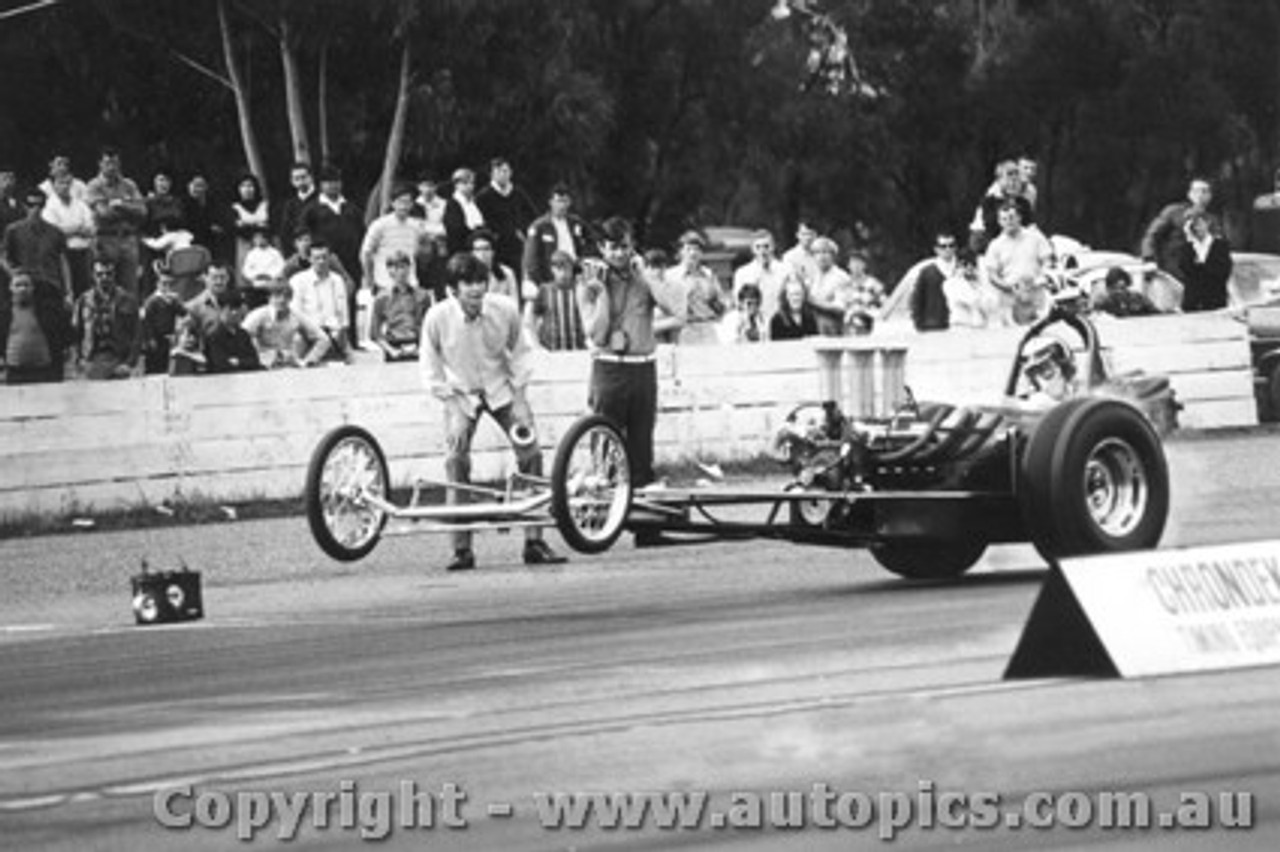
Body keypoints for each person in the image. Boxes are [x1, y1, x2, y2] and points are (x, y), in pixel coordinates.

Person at [419, 251, 566, 572]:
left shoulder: (505, 309)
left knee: (531, 452)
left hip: (501, 390)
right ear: (452, 290)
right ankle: (461, 549)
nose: (475, 291)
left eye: (479, 283)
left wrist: (522, 400)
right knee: (455, 459)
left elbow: (522, 355)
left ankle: (535, 542)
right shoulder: (436, 318)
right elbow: (431, 374)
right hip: (461, 394)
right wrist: (454, 408)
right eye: (467, 284)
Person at [577, 216, 684, 493]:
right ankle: (605, 524)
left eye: (625, 247)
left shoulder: (643, 278)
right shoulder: (590, 282)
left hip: (642, 368)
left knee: (641, 448)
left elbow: (677, 311)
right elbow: (596, 335)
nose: (620, 254)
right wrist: (601, 295)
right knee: (606, 448)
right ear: (602, 248)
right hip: (609, 368)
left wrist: (647, 275)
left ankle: (647, 529)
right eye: (613, 247)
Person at [303, 165, 364, 346]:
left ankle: (351, 341)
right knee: (325, 298)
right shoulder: (312, 209)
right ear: (321, 185)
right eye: (328, 183)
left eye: (336, 182)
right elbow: (304, 235)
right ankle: (324, 341)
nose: (333, 186)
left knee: (349, 298)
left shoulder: (351, 208)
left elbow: (362, 233)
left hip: (351, 261)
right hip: (324, 261)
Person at [85, 147, 148, 298]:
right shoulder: (94, 185)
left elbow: (143, 211)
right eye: (107, 163)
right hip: (106, 239)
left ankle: (129, 320)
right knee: (106, 285)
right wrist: (129, 209)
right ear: (100, 164)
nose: (112, 167)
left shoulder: (129, 185)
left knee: (130, 288)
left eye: (115, 163)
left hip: (128, 239)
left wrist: (120, 204)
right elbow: (104, 213)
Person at [982, 201, 1053, 326]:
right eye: (1004, 219)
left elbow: (1048, 261)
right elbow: (992, 275)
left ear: (1019, 218)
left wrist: (1040, 279)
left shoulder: (1035, 237)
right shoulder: (995, 245)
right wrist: (1007, 286)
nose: (1008, 222)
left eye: (1011, 217)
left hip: (1036, 293)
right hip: (1010, 297)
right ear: (999, 222)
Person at [73, 256, 140, 379]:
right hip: (92, 360)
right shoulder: (83, 301)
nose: (104, 278)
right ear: (93, 276)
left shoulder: (127, 300)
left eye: (108, 274)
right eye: (100, 274)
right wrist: (80, 361)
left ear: (114, 275)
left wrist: (129, 364)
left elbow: (136, 335)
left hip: (118, 360)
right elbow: (76, 334)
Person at [1, 270, 73, 384]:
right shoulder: (3, 314)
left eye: (26, 285)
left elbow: (66, 337)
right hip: (15, 373)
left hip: (44, 372)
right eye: (18, 285)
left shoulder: (49, 311)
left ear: (33, 287)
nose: (22, 289)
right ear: (10, 288)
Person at [1140, 177, 1217, 281]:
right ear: (1189, 194)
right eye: (1196, 191)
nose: (1201, 195)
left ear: (1210, 196)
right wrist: (1149, 259)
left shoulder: (1212, 221)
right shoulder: (1173, 212)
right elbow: (1151, 237)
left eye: (1205, 191)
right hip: (1169, 276)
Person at [289, 239, 353, 362]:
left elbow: (343, 314)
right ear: (309, 259)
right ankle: (307, 363)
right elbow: (296, 313)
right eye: (317, 258)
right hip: (308, 333)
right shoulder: (298, 280)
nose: (321, 261)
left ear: (330, 258)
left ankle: (311, 362)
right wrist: (315, 332)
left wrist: (341, 331)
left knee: (355, 365)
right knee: (298, 341)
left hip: (335, 332)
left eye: (325, 257)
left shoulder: (337, 280)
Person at [242, 279, 330, 368]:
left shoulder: (296, 315)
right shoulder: (258, 315)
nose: (282, 300)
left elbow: (323, 339)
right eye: (277, 296)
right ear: (269, 297)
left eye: (286, 296)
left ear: (291, 298)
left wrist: (308, 361)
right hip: (264, 366)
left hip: (289, 365)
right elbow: (241, 337)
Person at [522, 183, 592, 296]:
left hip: (575, 277)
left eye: (565, 201)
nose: (562, 205)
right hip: (550, 280)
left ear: (569, 203)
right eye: (559, 201)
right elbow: (531, 261)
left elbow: (592, 242)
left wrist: (583, 263)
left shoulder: (576, 222)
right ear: (551, 202)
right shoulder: (539, 226)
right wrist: (541, 284)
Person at [360, 182, 427, 295]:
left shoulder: (417, 227)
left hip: (410, 284)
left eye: (407, 202)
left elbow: (417, 254)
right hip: (384, 284)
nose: (403, 206)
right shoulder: (379, 225)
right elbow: (366, 253)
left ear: (412, 204)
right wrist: (369, 280)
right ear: (393, 203)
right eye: (400, 202)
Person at [475, 157, 537, 278]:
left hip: (515, 245)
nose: (503, 175)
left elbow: (532, 215)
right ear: (492, 174)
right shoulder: (483, 196)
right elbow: (479, 222)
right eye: (499, 171)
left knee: (517, 278)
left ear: (511, 173)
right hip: (495, 247)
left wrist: (523, 231)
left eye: (505, 171)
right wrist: (493, 235)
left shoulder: (518, 193)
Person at [42, 170, 96, 299]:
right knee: (67, 291)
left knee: (85, 291)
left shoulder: (80, 205)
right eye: (61, 183)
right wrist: (77, 229)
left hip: (83, 253)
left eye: (68, 183)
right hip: (64, 254)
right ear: (54, 185)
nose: (65, 186)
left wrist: (69, 229)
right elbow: (53, 232)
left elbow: (91, 228)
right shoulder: (49, 207)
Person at [4, 185, 67, 295]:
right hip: (26, 287)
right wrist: (13, 274)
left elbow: (63, 263)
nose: (36, 209)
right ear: (24, 206)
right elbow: (4, 257)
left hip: (50, 285)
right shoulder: (13, 231)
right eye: (31, 205)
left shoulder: (56, 232)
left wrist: (68, 291)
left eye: (40, 205)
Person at [369, 251, 430, 362]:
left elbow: (429, 327)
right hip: (394, 346)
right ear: (389, 271)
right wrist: (391, 350)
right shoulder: (381, 298)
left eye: (403, 267)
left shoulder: (423, 295)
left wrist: (422, 348)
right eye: (395, 268)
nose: (401, 272)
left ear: (409, 269)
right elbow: (375, 334)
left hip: (417, 346)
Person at [668, 231, 724, 346]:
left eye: (697, 249)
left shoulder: (709, 274)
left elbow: (721, 305)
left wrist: (715, 302)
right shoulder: (671, 276)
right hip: (684, 329)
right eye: (688, 249)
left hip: (708, 327)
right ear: (681, 252)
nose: (693, 253)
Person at [970, 159, 1035, 253]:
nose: (1012, 184)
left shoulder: (1024, 202)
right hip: (984, 236)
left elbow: (1029, 225)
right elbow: (992, 227)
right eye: (1008, 180)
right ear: (999, 181)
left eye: (1015, 180)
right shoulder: (990, 199)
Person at [527, 250, 586, 351]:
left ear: (572, 269)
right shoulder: (545, 289)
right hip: (550, 349)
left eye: (567, 268)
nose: (563, 273)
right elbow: (532, 318)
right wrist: (536, 345)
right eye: (559, 268)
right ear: (552, 269)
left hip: (577, 348)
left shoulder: (580, 289)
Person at [732, 229, 793, 326]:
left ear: (773, 247)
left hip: (781, 322)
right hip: (755, 324)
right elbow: (738, 302)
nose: (762, 251)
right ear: (752, 249)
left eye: (766, 246)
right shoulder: (742, 273)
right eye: (758, 247)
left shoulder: (786, 270)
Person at [1178, 210, 1232, 312]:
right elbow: (1185, 270)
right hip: (1192, 304)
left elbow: (1223, 272)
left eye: (1199, 224)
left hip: (1215, 302)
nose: (1196, 228)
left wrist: (1200, 266)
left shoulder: (1220, 246)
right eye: (1192, 225)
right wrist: (1190, 240)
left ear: (1207, 223)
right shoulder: (1187, 248)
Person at [140, 267, 189, 374]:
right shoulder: (152, 302)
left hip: (170, 338)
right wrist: (150, 339)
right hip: (156, 339)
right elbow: (147, 322)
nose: (167, 287)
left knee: (169, 367)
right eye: (164, 283)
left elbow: (184, 313)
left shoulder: (172, 300)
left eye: (170, 284)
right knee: (155, 367)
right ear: (157, 284)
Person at [908, 232, 960, 332]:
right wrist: (919, 326)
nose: (947, 249)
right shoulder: (926, 272)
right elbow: (917, 301)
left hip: (959, 327)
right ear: (936, 249)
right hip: (932, 328)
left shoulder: (962, 270)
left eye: (951, 246)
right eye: (943, 246)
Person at [203, 291, 263, 373]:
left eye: (237, 308)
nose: (235, 313)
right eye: (230, 309)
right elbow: (221, 365)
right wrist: (244, 362)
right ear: (220, 310)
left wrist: (238, 362)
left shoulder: (243, 334)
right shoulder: (213, 336)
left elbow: (254, 360)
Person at [808, 236, 855, 335]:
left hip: (833, 329)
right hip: (813, 328)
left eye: (825, 252)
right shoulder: (812, 276)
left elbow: (840, 308)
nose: (822, 256)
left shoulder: (841, 277)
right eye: (817, 252)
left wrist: (814, 302)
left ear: (833, 256)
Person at [230, 174, 269, 289]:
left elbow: (272, 226)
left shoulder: (265, 205)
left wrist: (247, 224)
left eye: (250, 185)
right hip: (245, 246)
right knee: (247, 278)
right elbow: (236, 229)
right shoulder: (234, 207)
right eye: (243, 186)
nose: (247, 189)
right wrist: (259, 225)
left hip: (265, 244)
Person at [942, 248, 996, 328]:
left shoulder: (981, 282)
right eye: (965, 264)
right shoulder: (950, 283)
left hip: (981, 327)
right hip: (961, 326)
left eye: (973, 264)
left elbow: (992, 303)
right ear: (958, 265)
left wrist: (980, 283)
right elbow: (971, 300)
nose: (969, 267)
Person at [1021, 336, 1078, 405]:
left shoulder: (1083, 398)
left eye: (1046, 368)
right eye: (1033, 373)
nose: (1041, 379)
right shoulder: (1036, 404)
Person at [443, 167, 485, 259]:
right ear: (456, 185)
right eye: (465, 183)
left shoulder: (473, 203)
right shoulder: (453, 204)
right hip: (462, 251)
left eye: (472, 183)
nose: (470, 186)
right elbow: (456, 230)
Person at [470, 228, 521, 302]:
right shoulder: (466, 275)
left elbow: (514, 302)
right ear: (472, 253)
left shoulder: (507, 273)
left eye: (486, 249)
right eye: (478, 249)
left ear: (493, 251)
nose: (482, 254)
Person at [240, 226, 286, 308]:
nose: (259, 240)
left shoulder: (275, 253)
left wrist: (270, 276)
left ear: (267, 239)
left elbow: (281, 268)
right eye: (256, 238)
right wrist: (256, 276)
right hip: (256, 286)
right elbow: (246, 270)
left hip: (271, 286)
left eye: (261, 238)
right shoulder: (251, 254)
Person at [277, 162, 317, 250]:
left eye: (303, 177)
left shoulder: (322, 199)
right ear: (292, 181)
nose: (301, 182)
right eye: (296, 179)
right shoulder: (290, 205)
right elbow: (286, 232)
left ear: (311, 177)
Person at [1091, 266, 1159, 318]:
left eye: (1122, 288)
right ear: (1108, 289)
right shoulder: (1103, 304)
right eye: (1114, 288)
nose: (1119, 292)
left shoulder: (1138, 299)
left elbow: (1156, 315)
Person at [781, 220, 820, 292]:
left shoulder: (820, 255)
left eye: (811, 234)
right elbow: (792, 281)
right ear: (797, 235)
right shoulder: (789, 257)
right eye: (804, 234)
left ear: (816, 235)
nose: (808, 238)